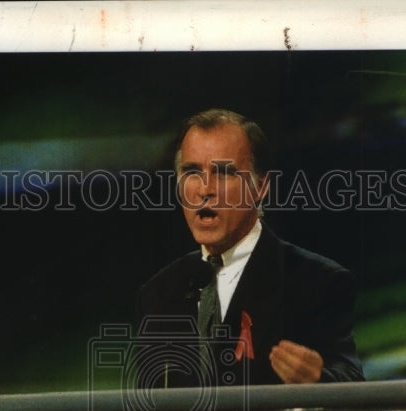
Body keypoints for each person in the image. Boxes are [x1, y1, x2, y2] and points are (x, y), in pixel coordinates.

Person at [137, 109, 364, 386]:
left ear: (260, 187)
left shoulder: (317, 282)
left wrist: (320, 380)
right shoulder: (159, 294)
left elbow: (350, 383)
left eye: (224, 173)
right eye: (192, 172)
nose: (205, 189)